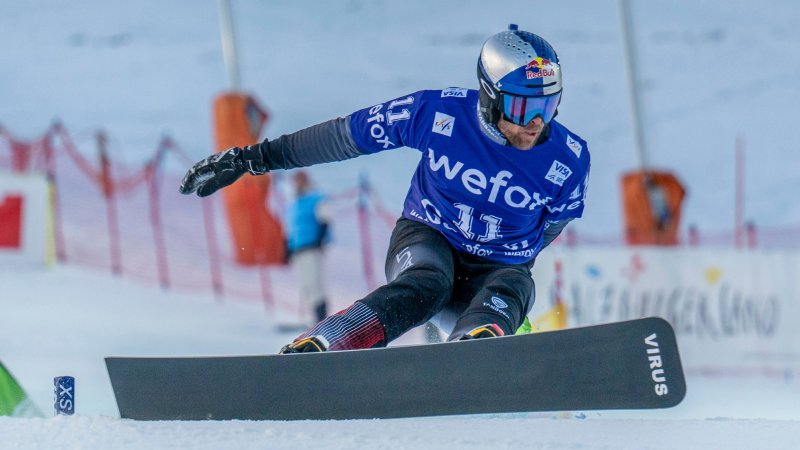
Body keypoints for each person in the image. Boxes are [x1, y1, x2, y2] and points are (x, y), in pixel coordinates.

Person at [180, 25, 590, 354]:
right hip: (429, 238)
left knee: (512, 286)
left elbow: (550, 229)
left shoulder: (569, 159)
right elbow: (342, 137)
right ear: (490, 97)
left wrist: (506, 257)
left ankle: (479, 343)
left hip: (500, 266)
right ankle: (328, 342)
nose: (536, 123)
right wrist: (252, 158)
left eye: (549, 106)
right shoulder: (435, 113)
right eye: (524, 108)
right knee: (427, 284)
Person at [285, 170, 330, 327]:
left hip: (312, 247)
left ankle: (321, 320)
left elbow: (325, 219)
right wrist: (288, 248)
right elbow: (292, 228)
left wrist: (320, 239)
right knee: (307, 285)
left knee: (315, 283)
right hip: (299, 248)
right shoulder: (295, 203)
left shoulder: (316, 199)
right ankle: (315, 319)